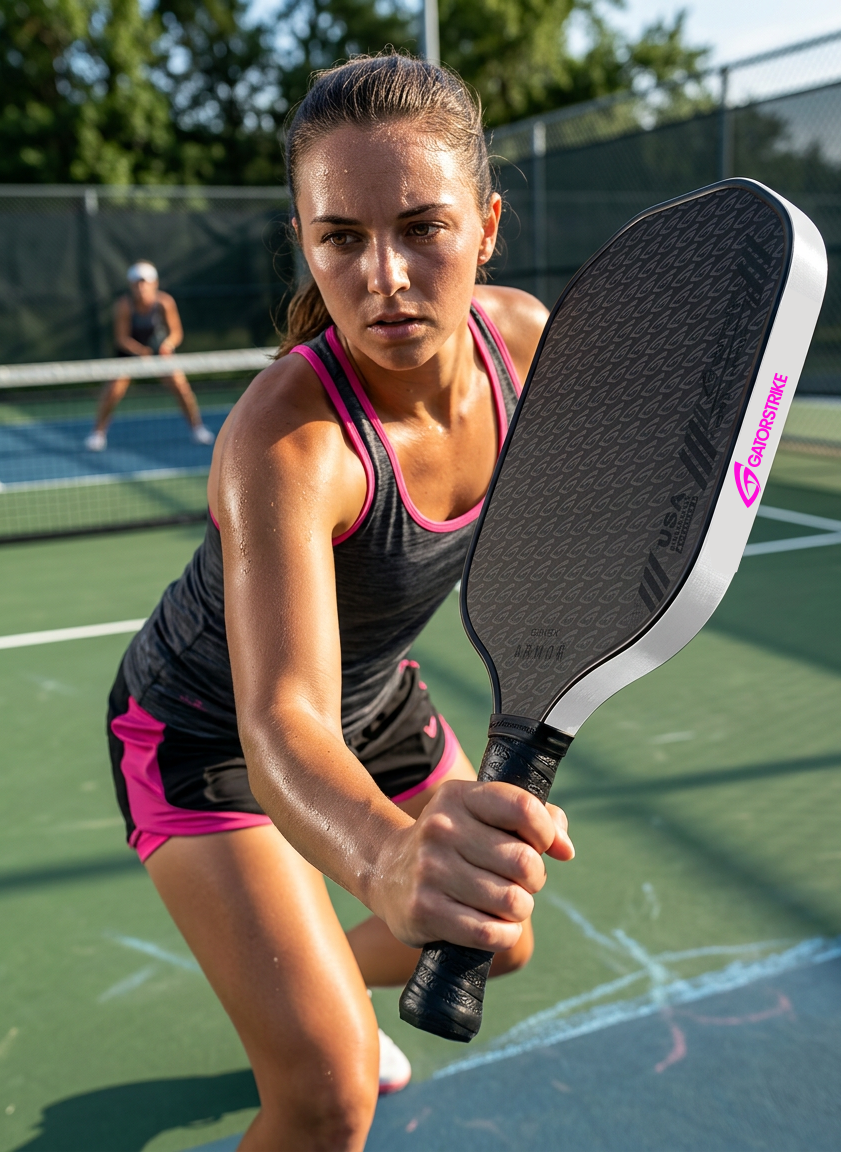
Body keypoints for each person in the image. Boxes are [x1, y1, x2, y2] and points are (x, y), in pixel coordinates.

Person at [106, 54, 574, 1152]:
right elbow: (281, 728)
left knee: (493, 938)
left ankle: (311, 983)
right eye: (341, 240)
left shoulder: (524, 342)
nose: (386, 277)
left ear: (488, 226)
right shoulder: (287, 440)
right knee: (325, 1102)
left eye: (423, 228)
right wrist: (384, 860)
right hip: (203, 731)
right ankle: (311, 1023)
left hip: (372, 698)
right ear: (306, 244)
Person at [85, 261, 214, 451]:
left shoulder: (165, 302)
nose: (141, 286)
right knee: (113, 390)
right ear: (131, 285)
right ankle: (98, 433)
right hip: (129, 355)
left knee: (180, 386)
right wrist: (140, 352)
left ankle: (197, 428)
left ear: (154, 283)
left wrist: (167, 345)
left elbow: (176, 332)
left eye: (144, 282)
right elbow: (121, 338)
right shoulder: (124, 305)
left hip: (160, 353)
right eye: (136, 282)